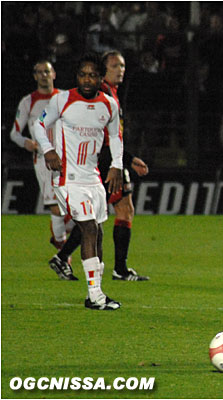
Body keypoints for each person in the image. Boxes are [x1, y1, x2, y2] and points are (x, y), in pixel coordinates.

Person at [51, 50, 150, 282]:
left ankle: (118, 268)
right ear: (103, 71)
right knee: (94, 218)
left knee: (123, 209)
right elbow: (103, 135)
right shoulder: (100, 94)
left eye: (123, 66)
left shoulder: (112, 93)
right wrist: (127, 159)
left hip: (111, 160)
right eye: (115, 66)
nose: (120, 70)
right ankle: (66, 258)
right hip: (103, 161)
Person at [34, 53, 123, 310]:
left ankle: (95, 292)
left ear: (100, 78)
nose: (87, 79)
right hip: (68, 178)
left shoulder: (109, 105)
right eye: (83, 74)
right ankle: (95, 296)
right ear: (76, 77)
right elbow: (40, 125)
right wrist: (48, 149)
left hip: (93, 177)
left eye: (92, 75)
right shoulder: (62, 100)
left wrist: (116, 164)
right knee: (89, 229)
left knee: (99, 233)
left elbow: (115, 137)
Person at [9, 60, 78, 280]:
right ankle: (64, 261)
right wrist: (26, 143)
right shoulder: (28, 101)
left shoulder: (65, 97)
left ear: (54, 74)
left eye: (46, 71)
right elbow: (15, 133)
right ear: (35, 76)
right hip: (44, 161)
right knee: (56, 209)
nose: (43, 76)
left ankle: (59, 239)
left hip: (70, 159)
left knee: (75, 211)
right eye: (39, 72)